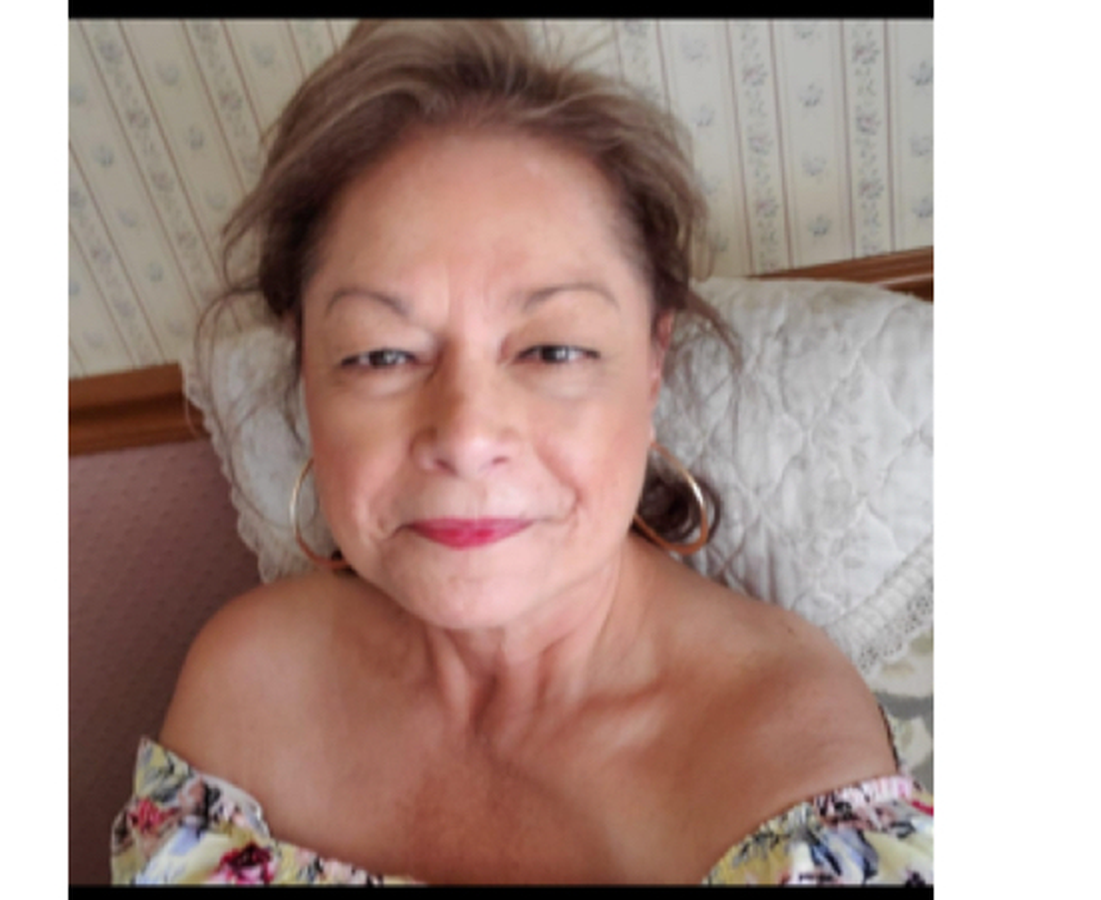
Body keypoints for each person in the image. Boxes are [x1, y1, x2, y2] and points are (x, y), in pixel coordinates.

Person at [110, 20, 932, 885]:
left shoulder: (789, 769)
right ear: (307, 372)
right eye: (381, 355)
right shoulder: (243, 688)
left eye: (552, 350)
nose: (466, 437)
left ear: (652, 362)